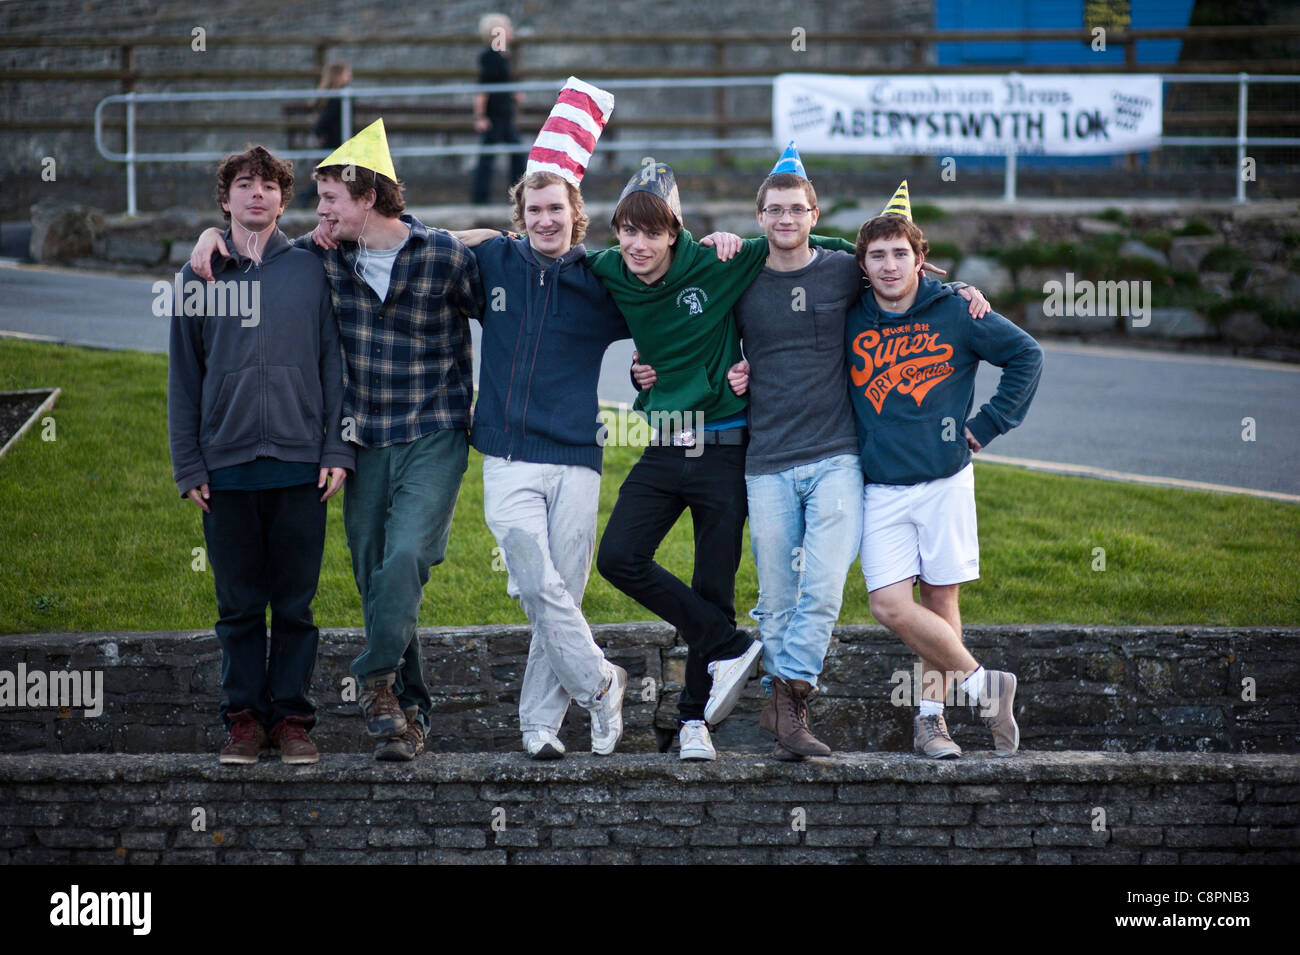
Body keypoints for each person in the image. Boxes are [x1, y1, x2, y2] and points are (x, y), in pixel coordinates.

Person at [188, 119, 482, 762]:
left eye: (328, 199)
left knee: (406, 558)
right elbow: (257, 245)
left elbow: (510, 295)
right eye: (316, 199)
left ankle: (374, 675)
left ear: (367, 197)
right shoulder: (325, 259)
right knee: (379, 581)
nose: (317, 212)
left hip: (433, 432)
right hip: (365, 440)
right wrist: (211, 234)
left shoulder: (443, 256)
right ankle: (408, 715)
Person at [168, 144, 352, 766]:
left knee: (295, 606)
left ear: (282, 199)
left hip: (303, 463)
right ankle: (244, 721)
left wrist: (336, 449)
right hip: (225, 468)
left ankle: (294, 721)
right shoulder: (199, 275)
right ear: (226, 199)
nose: (257, 194)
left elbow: (334, 362)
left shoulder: (310, 267)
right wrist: (189, 464)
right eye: (245, 185)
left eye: (269, 186)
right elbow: (183, 376)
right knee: (239, 605)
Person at [464, 79, 630, 759]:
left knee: (558, 592)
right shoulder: (494, 262)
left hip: (576, 458)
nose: (546, 218)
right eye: (534, 208)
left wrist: (653, 368)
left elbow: (670, 298)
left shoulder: (599, 279)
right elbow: (423, 242)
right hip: (507, 451)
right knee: (534, 579)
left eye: (556, 207)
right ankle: (600, 684)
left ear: (575, 211)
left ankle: (538, 725)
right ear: (519, 213)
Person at [844, 189, 1043, 759]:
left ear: (919, 257)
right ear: (863, 265)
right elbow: (810, 251)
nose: (888, 265)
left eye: (900, 253)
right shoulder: (850, 312)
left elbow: (1026, 355)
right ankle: (987, 686)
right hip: (879, 484)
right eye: (876, 255)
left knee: (940, 596)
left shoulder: (958, 309)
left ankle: (932, 723)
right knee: (887, 604)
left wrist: (989, 424)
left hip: (945, 479)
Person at [471, 12, 527, 204]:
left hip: (504, 115)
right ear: (497, 32)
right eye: (506, 28)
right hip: (494, 117)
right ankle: (481, 199)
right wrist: (479, 116)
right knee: (488, 159)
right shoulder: (490, 57)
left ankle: (518, 196)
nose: (511, 31)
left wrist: (513, 93)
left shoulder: (501, 55)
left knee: (516, 157)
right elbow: (483, 88)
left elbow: (500, 81)